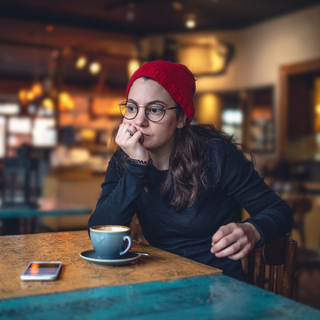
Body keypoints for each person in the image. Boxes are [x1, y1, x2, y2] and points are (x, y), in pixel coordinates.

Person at [88, 60, 293, 280]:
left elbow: (280, 211)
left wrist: (253, 230)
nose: (139, 121)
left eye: (155, 109)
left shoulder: (215, 155)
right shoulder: (125, 158)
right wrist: (136, 167)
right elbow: (99, 229)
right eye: (131, 108)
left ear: (181, 118)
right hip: (158, 283)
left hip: (217, 288)